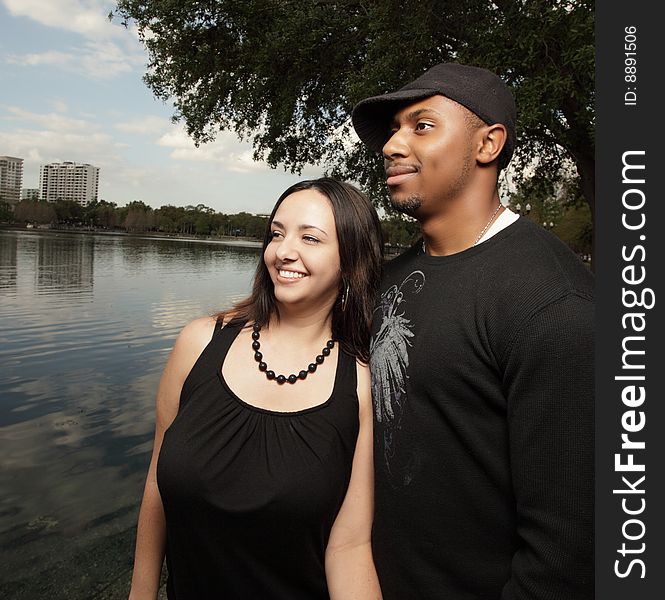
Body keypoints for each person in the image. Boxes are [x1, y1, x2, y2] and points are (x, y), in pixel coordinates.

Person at [351, 63, 594, 598]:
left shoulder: (552, 302)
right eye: (394, 129)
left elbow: (568, 555)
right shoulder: (390, 277)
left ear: (488, 144)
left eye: (421, 126)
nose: (392, 145)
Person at [128, 178, 384, 600]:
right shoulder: (198, 344)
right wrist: (140, 594)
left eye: (310, 238)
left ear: (350, 260)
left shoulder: (359, 385)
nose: (283, 251)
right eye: (277, 233)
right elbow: (157, 486)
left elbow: (350, 546)